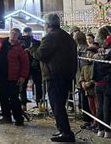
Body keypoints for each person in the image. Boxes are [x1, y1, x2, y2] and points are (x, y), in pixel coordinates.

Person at [29, 13, 77, 142]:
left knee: (57, 105)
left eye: (44, 24)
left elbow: (40, 55)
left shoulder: (51, 37)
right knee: (59, 104)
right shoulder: (66, 36)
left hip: (55, 76)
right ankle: (62, 130)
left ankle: (66, 133)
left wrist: (33, 48)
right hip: (66, 75)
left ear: (48, 25)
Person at [0, 28, 29, 126]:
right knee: (2, 97)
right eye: (12, 33)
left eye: (16, 34)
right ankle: (6, 117)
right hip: (0, 75)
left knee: (14, 98)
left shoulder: (20, 48)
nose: (13, 35)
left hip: (13, 77)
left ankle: (18, 118)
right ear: (9, 33)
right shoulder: (0, 42)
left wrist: (23, 76)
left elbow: (25, 63)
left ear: (19, 36)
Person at [92, 35, 111, 138]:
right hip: (108, 84)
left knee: (99, 107)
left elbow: (95, 70)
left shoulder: (98, 53)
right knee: (107, 108)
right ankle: (107, 131)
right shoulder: (110, 54)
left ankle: (100, 130)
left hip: (98, 84)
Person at [19, 27, 42, 109]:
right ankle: (39, 103)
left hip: (24, 65)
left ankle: (23, 104)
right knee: (38, 84)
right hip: (35, 66)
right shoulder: (37, 42)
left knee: (23, 85)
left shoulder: (19, 42)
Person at [79, 46, 98, 132]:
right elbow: (81, 76)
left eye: (91, 53)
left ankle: (97, 123)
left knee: (97, 107)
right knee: (91, 107)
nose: (88, 55)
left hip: (95, 90)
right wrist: (82, 83)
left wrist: (90, 83)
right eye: (87, 53)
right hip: (88, 90)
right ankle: (92, 122)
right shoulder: (84, 67)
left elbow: (97, 77)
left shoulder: (96, 65)